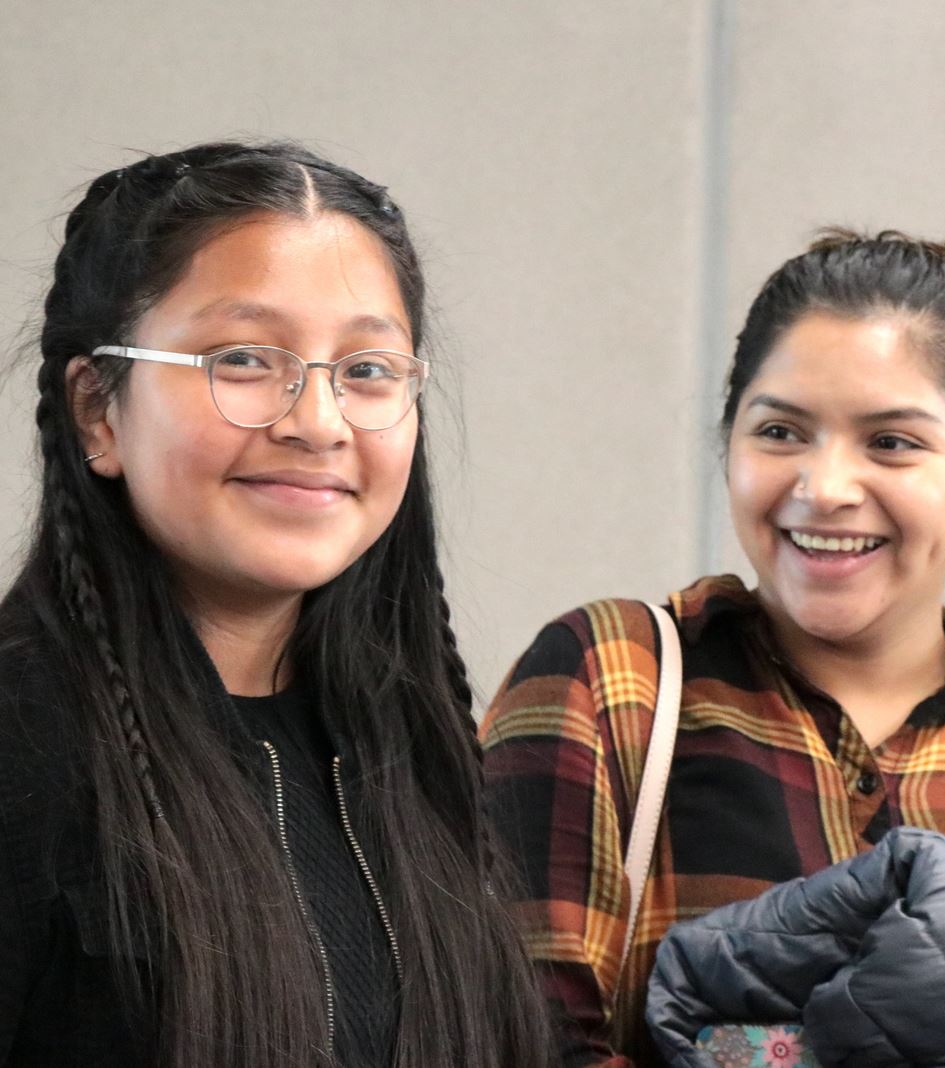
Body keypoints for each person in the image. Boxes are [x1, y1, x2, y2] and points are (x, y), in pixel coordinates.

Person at [0, 141, 551, 1068]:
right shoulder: (23, 738)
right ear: (99, 409)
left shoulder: (416, 747)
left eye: (368, 370)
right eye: (246, 359)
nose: (319, 421)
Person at [481, 230, 945, 1066]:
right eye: (782, 432)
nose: (824, 488)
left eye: (892, 442)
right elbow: (513, 1039)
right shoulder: (613, 678)